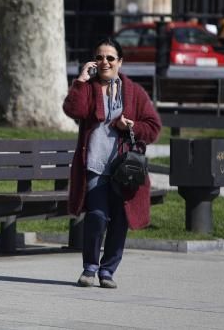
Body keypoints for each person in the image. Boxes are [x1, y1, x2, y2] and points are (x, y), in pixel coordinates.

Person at [63, 38, 161, 289]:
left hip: (123, 170)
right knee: (96, 215)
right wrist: (81, 79)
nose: (104, 62)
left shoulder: (134, 92)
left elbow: (153, 128)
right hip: (95, 165)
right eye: (99, 57)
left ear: (120, 62)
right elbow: (73, 110)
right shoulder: (88, 87)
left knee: (120, 219)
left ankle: (107, 270)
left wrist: (131, 126)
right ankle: (90, 267)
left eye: (109, 58)